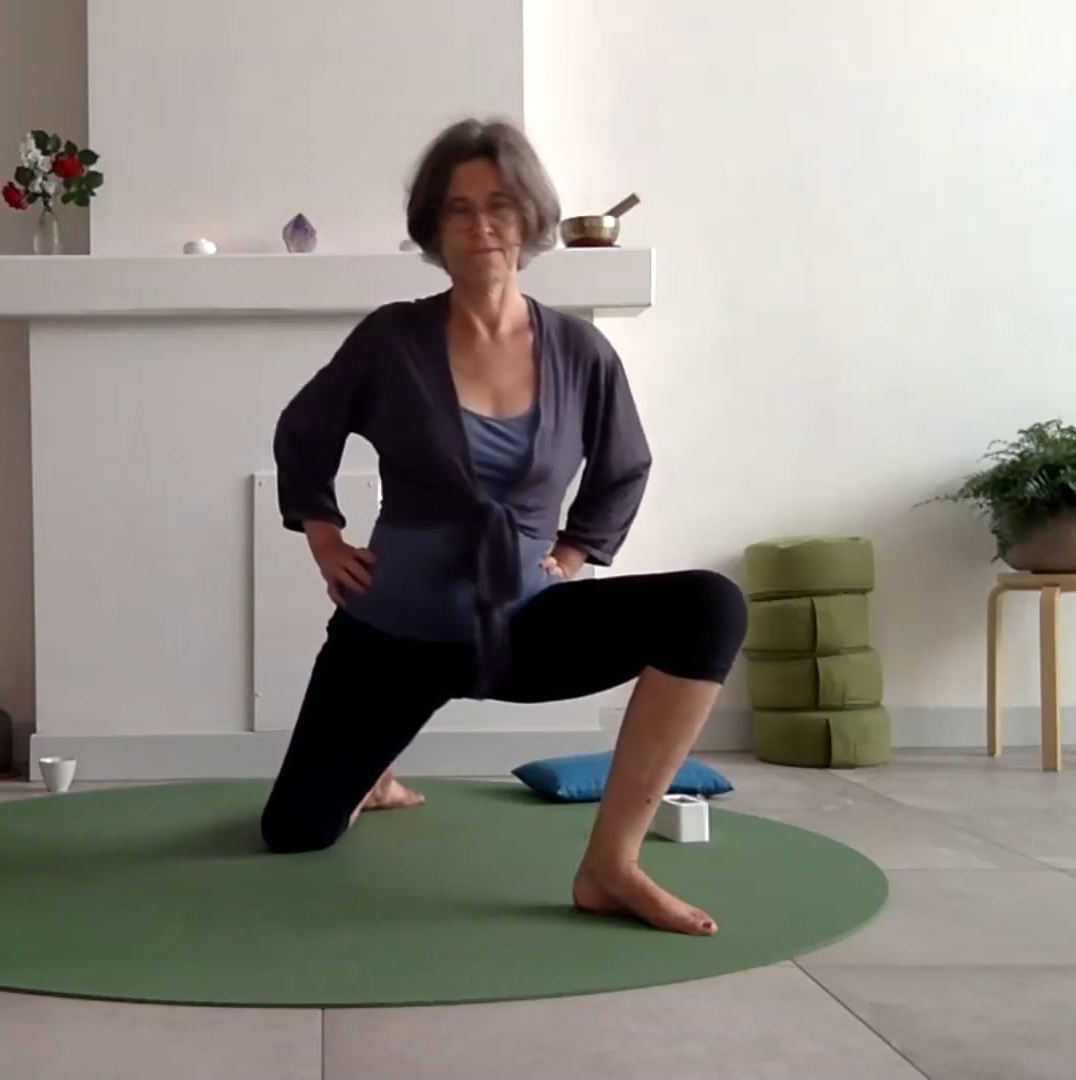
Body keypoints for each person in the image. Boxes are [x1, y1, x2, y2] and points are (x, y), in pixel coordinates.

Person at [259, 118, 747, 936]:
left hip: (524, 626)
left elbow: (624, 463)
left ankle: (612, 866)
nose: (480, 224)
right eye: (458, 208)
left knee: (710, 606)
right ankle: (372, 774)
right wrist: (323, 536)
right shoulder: (392, 339)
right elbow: (303, 431)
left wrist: (574, 551)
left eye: (499, 204)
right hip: (394, 633)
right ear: (433, 225)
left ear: (529, 218)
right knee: (295, 832)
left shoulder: (580, 351)